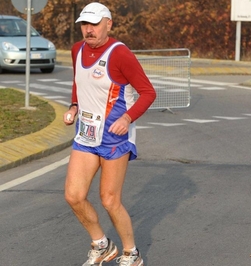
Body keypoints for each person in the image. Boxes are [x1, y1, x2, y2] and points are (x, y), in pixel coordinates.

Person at [63, 2, 156, 266]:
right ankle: (101, 244)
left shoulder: (120, 54)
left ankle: (131, 253)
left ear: (109, 24)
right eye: (84, 24)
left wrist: (127, 118)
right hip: (86, 136)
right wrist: (74, 106)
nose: (88, 30)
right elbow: (78, 82)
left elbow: (148, 92)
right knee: (73, 196)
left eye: (94, 24)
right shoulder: (76, 50)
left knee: (109, 200)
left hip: (115, 138)